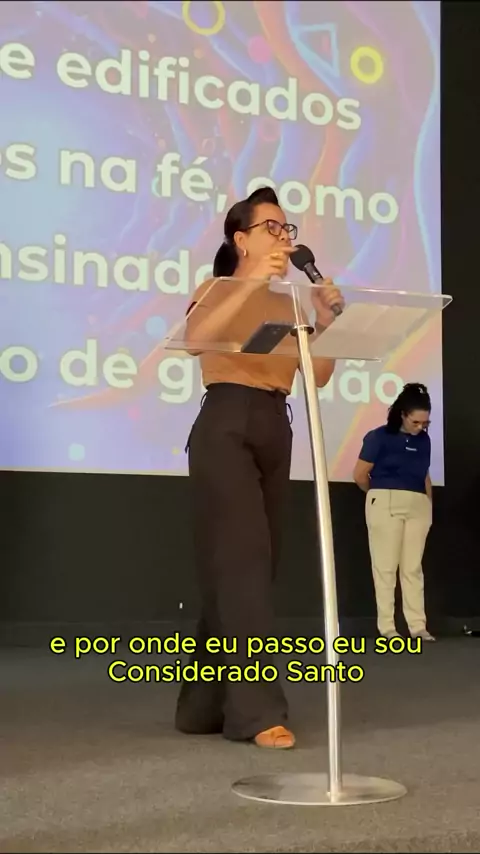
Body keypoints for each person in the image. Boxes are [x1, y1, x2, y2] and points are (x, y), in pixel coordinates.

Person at [174, 186, 344, 749]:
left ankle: (203, 705)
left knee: (248, 568)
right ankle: (256, 712)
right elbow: (195, 340)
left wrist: (323, 321)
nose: (282, 238)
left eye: (285, 228)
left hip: (275, 423)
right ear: (240, 239)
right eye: (270, 227)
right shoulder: (217, 290)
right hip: (227, 421)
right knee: (243, 566)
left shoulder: (288, 304)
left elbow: (317, 375)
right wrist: (248, 282)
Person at [353, 383, 435, 642]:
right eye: (415, 422)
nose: (420, 427)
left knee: (412, 568)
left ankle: (418, 626)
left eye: (425, 423)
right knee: (385, 567)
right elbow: (360, 474)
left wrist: (428, 505)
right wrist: (377, 494)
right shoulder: (378, 437)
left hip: (417, 504)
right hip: (385, 500)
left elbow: (424, 475)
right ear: (402, 414)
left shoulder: (424, 440)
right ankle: (387, 627)